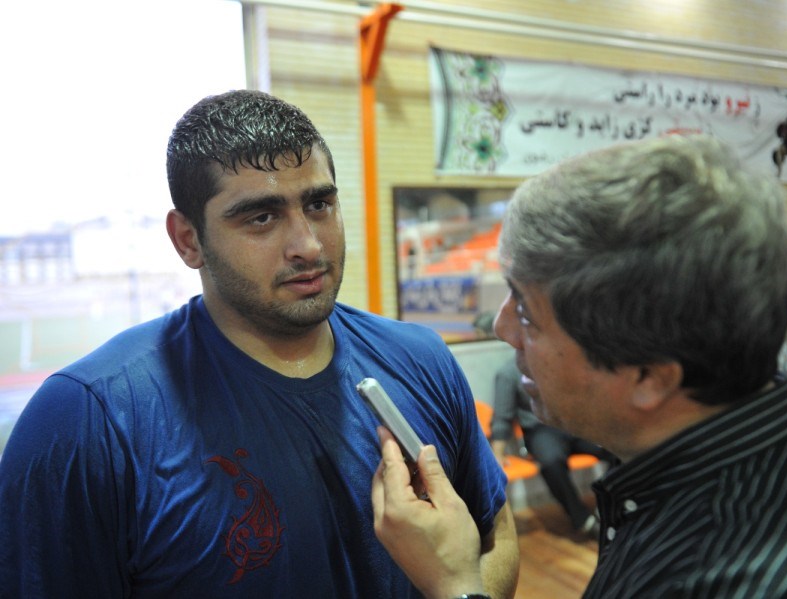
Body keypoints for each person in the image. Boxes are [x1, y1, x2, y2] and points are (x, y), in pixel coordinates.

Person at [0, 90, 518, 598]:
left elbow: (495, 532)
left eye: (319, 204)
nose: (308, 245)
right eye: (261, 217)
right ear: (188, 240)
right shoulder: (87, 419)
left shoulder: (421, 357)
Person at [371, 135, 787, 598]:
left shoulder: (708, 572)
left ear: (649, 375)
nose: (504, 328)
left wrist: (456, 586)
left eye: (527, 312)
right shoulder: (775, 448)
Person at [487, 342, 615, 535]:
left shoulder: (562, 363)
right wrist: (497, 453)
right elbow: (502, 417)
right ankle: (582, 520)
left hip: (573, 425)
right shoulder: (508, 373)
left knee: (618, 448)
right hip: (540, 430)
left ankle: (609, 507)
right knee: (551, 461)